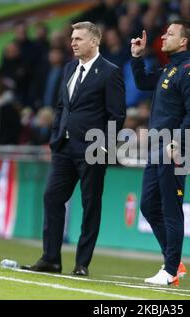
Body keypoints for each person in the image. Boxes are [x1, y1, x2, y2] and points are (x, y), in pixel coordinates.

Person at [22, 21, 126, 276]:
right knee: (52, 197)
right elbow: (61, 106)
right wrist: (56, 135)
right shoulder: (69, 68)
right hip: (64, 147)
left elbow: (117, 115)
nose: (73, 43)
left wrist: (105, 147)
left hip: (92, 150)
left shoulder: (110, 72)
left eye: (78, 39)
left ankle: (82, 263)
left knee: (90, 205)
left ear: (94, 41)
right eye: (72, 38)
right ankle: (51, 259)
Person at [130, 20, 190, 285]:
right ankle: (174, 261)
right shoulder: (170, 69)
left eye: (170, 34)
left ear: (183, 41)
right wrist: (137, 57)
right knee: (148, 205)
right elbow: (141, 82)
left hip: (174, 150)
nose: (163, 36)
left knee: (172, 210)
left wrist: (178, 142)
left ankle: (170, 269)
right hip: (157, 148)